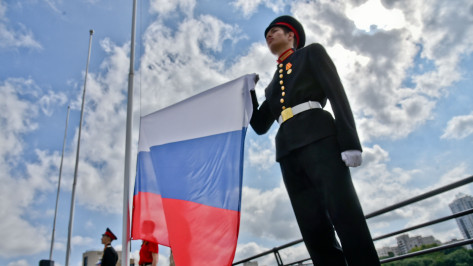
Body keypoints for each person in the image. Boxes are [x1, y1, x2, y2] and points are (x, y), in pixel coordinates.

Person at [250, 15, 380, 265]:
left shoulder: (311, 54)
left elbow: (336, 92)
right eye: (266, 33)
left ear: (292, 36)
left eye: (275, 30)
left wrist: (350, 142)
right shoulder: (271, 86)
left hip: (320, 137)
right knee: (312, 226)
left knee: (344, 212)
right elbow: (259, 125)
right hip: (287, 150)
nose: (269, 35)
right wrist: (249, 94)